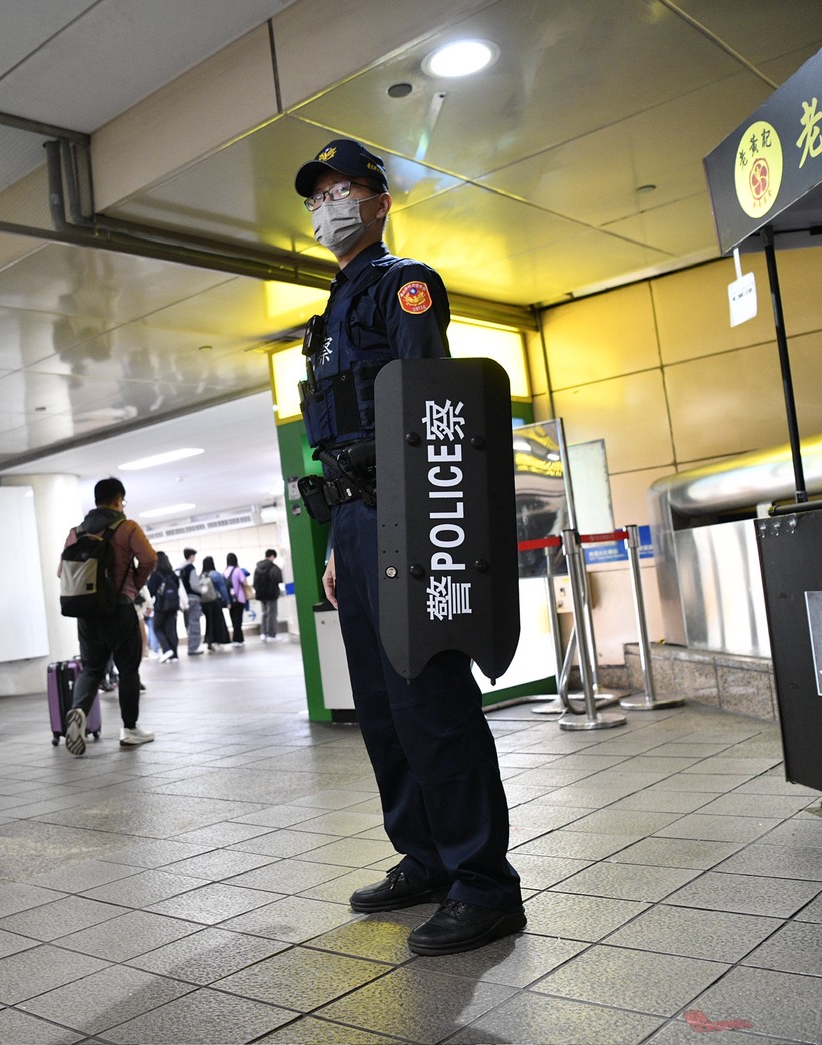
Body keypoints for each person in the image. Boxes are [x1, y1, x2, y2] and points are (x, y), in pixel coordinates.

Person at [294, 138, 524, 955]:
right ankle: (423, 857)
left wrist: (419, 523)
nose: (327, 208)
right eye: (316, 197)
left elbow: (432, 406)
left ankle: (484, 883)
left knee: (431, 701)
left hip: (407, 515)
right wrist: (332, 544)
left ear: (378, 202)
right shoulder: (326, 315)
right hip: (353, 525)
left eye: (341, 192)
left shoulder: (405, 286)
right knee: (383, 712)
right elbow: (334, 439)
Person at [59, 477, 156, 755]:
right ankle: (129, 729)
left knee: (92, 668)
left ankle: (78, 711)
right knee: (127, 669)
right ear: (118, 500)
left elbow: (61, 572)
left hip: (87, 614)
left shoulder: (75, 533)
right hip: (119, 609)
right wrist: (134, 584)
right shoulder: (127, 527)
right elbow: (149, 559)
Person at [146, 551, 184, 663]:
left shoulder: (155, 575)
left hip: (160, 607)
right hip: (173, 606)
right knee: (171, 629)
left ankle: (167, 650)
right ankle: (174, 655)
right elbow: (177, 588)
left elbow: (151, 591)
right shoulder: (173, 575)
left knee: (157, 628)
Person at [199, 555, 230, 652]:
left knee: (209, 622)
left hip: (204, 602)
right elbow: (223, 589)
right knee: (218, 622)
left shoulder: (201, 576)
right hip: (215, 601)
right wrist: (227, 601)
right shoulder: (216, 574)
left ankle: (209, 641)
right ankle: (217, 641)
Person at [178, 548, 205, 656]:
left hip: (184, 600)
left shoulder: (179, 568)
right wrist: (202, 590)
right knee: (194, 623)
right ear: (191, 556)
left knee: (188, 624)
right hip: (193, 598)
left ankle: (191, 646)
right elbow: (194, 584)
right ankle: (193, 647)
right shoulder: (190, 568)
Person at [254, 549, 286, 641]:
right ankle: (271, 635)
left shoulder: (258, 567)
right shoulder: (273, 567)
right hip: (271, 594)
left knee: (264, 613)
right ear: (272, 556)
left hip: (261, 594)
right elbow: (279, 579)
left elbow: (255, 582)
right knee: (272, 614)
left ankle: (263, 633)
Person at [223, 552, 250, 646]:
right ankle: (238, 639)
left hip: (230, 600)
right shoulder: (238, 570)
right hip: (239, 598)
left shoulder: (225, 572)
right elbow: (245, 583)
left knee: (233, 619)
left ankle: (236, 639)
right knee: (238, 619)